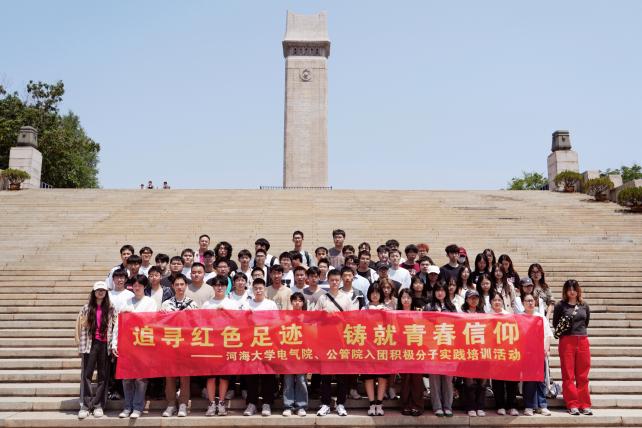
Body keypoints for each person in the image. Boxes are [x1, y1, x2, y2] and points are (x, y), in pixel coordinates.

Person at [113, 275, 157, 419]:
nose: (137, 288)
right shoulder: (126, 302)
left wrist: (132, 315)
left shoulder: (150, 302)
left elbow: (151, 321)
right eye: (135, 285)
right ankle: (127, 407)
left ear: (145, 286)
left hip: (143, 344)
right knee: (126, 377)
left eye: (140, 285)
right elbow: (118, 324)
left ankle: (138, 407)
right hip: (127, 344)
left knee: (140, 378)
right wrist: (114, 343)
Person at [75, 281, 116, 419]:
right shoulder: (86, 308)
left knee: (103, 376)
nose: (100, 292)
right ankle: (85, 405)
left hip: (105, 344)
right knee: (87, 375)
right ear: (94, 292)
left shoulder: (111, 308)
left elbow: (116, 326)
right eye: (98, 290)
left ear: (106, 293)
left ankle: (98, 405)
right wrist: (79, 345)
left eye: (103, 290)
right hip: (89, 344)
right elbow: (79, 327)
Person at [202, 276, 241, 416]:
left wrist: (226, 314)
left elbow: (239, 322)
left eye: (222, 285)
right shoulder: (207, 304)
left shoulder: (232, 303)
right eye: (217, 285)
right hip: (211, 345)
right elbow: (201, 322)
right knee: (211, 376)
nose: (219, 288)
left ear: (227, 287)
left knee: (224, 376)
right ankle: (211, 403)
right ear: (213, 287)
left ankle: (222, 402)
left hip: (227, 345)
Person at [160, 274, 198, 417]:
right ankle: (171, 404)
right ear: (172, 286)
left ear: (186, 286)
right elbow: (161, 325)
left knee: (184, 376)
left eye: (182, 284)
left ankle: (183, 404)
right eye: (177, 285)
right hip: (170, 344)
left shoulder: (192, 304)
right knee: (169, 375)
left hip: (186, 345)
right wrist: (162, 315)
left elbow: (197, 325)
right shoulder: (166, 304)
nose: (180, 287)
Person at [316, 269, 352, 417]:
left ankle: (341, 404)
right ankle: (325, 404)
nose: (335, 282)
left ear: (340, 281)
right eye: (332, 280)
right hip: (326, 341)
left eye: (337, 280)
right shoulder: (322, 298)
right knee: (326, 375)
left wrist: (338, 318)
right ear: (328, 281)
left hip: (341, 341)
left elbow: (350, 320)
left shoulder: (346, 299)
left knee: (342, 376)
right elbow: (316, 319)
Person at [554, 279, 592, 416]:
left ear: (578, 290)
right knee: (568, 375)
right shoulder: (560, 306)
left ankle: (585, 404)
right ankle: (572, 404)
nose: (572, 291)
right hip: (567, 341)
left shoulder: (584, 305)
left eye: (574, 289)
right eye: (569, 289)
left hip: (582, 340)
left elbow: (585, 322)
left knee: (583, 375)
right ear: (565, 291)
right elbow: (556, 323)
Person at [241, 278, 279, 416]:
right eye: (256, 288)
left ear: (264, 289)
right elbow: (240, 323)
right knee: (251, 376)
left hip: (267, 344)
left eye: (260, 288)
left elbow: (276, 323)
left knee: (268, 375)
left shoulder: (271, 304)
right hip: (251, 345)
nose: (258, 291)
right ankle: (251, 403)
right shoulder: (247, 304)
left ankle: (267, 403)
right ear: (252, 290)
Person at [424, 283, 455, 417]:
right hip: (433, 346)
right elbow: (423, 325)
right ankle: (437, 406)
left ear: (446, 292)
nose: (440, 293)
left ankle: (447, 406)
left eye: (442, 290)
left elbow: (457, 325)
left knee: (447, 379)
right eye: (437, 290)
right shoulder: (428, 307)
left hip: (448, 346)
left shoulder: (451, 307)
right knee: (434, 378)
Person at [522, 293, 553, 416]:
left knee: (541, 380)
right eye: (527, 301)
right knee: (529, 380)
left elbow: (548, 334)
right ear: (523, 303)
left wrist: (546, 348)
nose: (530, 303)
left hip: (539, 353)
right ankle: (529, 406)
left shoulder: (541, 317)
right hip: (526, 354)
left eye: (532, 301)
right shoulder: (520, 317)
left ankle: (542, 405)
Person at [489, 294, 519, 416]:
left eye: (499, 300)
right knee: (497, 381)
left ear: (503, 301)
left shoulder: (509, 316)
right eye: (494, 300)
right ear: (491, 302)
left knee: (512, 380)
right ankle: (500, 405)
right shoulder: (487, 316)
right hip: (494, 353)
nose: (497, 302)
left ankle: (512, 405)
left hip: (509, 351)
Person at [361, 284, 388, 416]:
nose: (375, 295)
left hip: (383, 347)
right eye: (372, 292)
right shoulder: (364, 309)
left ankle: (379, 403)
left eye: (377, 292)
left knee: (382, 376)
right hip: (368, 347)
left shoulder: (386, 309)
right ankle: (372, 403)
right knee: (369, 376)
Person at [397, 288, 424, 416]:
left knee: (417, 379)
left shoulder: (418, 312)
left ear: (412, 299)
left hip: (416, 350)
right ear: (400, 299)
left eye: (408, 297)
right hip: (402, 350)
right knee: (406, 379)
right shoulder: (395, 313)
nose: (406, 300)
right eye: (403, 297)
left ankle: (417, 405)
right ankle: (405, 405)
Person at [282, 292, 309, 417]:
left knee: (301, 380)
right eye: (295, 300)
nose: (297, 303)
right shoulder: (285, 316)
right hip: (288, 352)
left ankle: (301, 406)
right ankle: (288, 406)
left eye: (300, 300)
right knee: (288, 380)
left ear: (303, 303)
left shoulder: (307, 317)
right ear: (291, 302)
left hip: (302, 353)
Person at [461, 290, 487, 417]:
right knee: (469, 381)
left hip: (482, 352)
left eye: (476, 298)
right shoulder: (461, 315)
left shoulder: (484, 314)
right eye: (471, 298)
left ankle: (480, 406)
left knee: (482, 381)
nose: (474, 300)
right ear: (466, 300)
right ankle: (470, 407)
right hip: (468, 352)